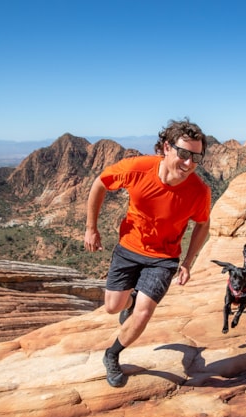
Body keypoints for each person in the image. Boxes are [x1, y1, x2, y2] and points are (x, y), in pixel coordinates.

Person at [84, 118, 211, 387]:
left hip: (164, 259)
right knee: (112, 307)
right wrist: (90, 228)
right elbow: (100, 183)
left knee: (143, 312)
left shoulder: (199, 191)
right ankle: (129, 300)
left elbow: (202, 224)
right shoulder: (137, 168)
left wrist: (188, 262)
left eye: (196, 157)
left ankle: (112, 354)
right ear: (167, 147)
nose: (189, 164)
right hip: (128, 248)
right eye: (184, 154)